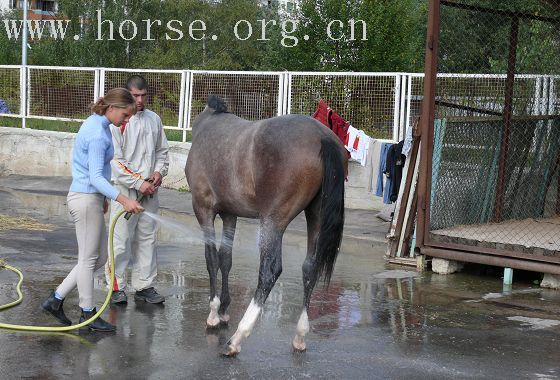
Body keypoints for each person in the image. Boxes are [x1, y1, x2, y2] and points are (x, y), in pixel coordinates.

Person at [41, 88, 144, 332]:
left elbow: (93, 173)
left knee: (98, 257)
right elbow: (96, 177)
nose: (126, 120)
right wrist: (123, 199)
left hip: (90, 197)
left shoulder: (96, 124)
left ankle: (55, 300)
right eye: (125, 115)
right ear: (112, 108)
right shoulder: (98, 133)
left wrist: (104, 197)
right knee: (88, 260)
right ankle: (87, 314)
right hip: (86, 198)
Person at [105, 75, 169, 305]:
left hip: (150, 191)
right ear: (127, 94)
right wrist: (138, 182)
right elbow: (115, 160)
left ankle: (144, 285)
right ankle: (116, 286)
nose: (140, 100)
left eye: (143, 95)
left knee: (147, 238)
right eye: (135, 95)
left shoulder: (154, 119)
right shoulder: (118, 122)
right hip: (124, 191)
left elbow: (163, 152)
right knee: (120, 240)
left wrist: (158, 173)